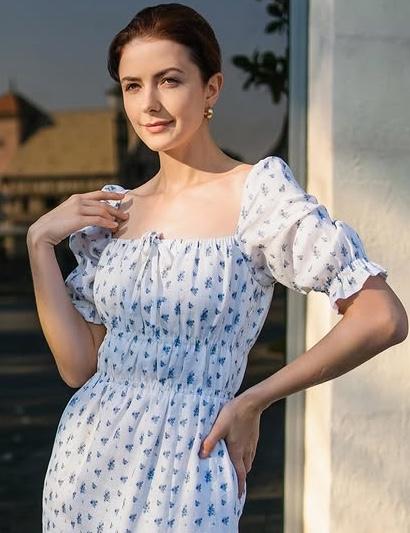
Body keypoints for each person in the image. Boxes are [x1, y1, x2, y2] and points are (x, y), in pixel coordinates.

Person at [26, 3, 408, 532]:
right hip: (85, 461)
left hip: (188, 467)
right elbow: (79, 367)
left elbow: (381, 317)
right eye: (133, 86)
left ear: (211, 89)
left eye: (169, 80)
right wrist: (39, 244)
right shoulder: (115, 212)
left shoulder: (257, 195)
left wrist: (255, 400)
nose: (149, 103)